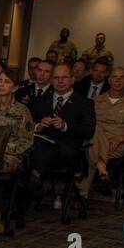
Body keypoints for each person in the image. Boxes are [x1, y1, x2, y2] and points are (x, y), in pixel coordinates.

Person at [30, 62, 96, 207]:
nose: (60, 81)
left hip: (67, 151)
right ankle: (32, 179)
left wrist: (65, 126)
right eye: (56, 78)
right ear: (52, 80)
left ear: (73, 79)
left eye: (64, 77)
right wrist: (39, 125)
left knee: (37, 147)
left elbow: (88, 130)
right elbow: (28, 125)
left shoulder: (85, 103)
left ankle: (34, 178)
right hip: (41, 145)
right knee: (35, 144)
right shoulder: (40, 100)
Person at [0, 68, 34, 230]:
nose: (2, 85)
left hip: (9, 155)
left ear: (15, 88)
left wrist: (4, 149)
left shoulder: (22, 111)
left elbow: (27, 141)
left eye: (7, 82)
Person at [83, 65, 124, 198]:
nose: (118, 81)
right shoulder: (96, 101)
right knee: (95, 129)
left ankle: (81, 195)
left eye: (122, 77)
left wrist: (121, 138)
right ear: (109, 80)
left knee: (90, 152)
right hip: (95, 139)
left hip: (117, 144)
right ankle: (103, 171)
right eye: (114, 77)